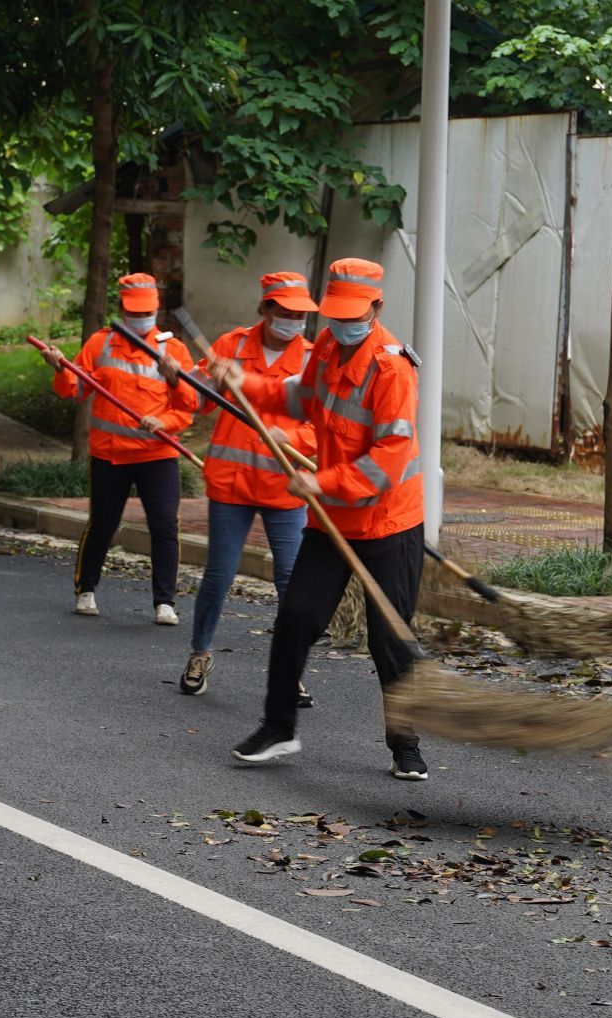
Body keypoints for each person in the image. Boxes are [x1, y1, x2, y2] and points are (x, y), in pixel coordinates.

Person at [209, 257, 429, 782]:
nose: (342, 324)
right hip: (331, 522)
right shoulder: (328, 347)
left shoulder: (392, 370)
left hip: (387, 523)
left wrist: (321, 482)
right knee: (295, 620)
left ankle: (405, 746)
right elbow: (301, 397)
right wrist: (246, 382)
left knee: (389, 641)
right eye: (335, 314)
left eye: (355, 314)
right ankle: (278, 727)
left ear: (377, 307)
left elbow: (390, 456)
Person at [178, 271, 321, 700]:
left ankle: (289, 668)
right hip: (232, 486)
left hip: (285, 487)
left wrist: (293, 438)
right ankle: (200, 653)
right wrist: (181, 376)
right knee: (218, 575)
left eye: (301, 314)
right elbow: (198, 403)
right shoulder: (231, 347)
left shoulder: (314, 359)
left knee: (291, 581)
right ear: (265, 308)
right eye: (286, 311)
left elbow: (325, 424)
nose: (294, 320)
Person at [41, 272, 197, 623]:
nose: (141, 319)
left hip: (157, 455)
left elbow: (189, 405)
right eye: (134, 312)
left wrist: (166, 419)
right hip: (110, 454)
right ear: (122, 309)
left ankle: (165, 601)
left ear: (156, 309)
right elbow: (75, 390)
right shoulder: (101, 344)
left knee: (164, 527)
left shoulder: (174, 351)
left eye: (147, 312)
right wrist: (60, 367)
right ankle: (86, 590)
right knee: (102, 524)